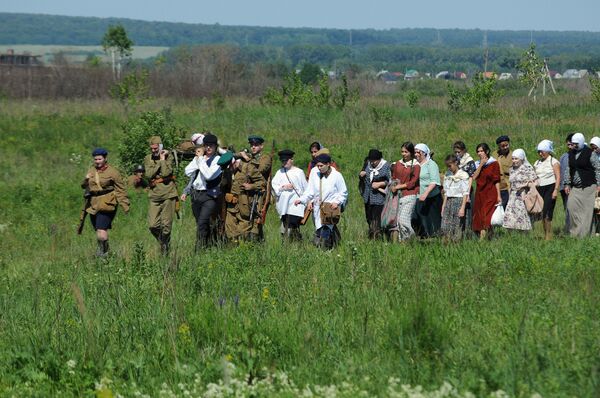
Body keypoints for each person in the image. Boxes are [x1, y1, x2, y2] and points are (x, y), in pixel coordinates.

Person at [81, 148, 130, 257]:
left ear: (105, 159)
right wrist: (86, 179)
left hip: (107, 203)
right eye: (95, 159)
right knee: (98, 231)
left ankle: (103, 254)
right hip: (93, 204)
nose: (97, 161)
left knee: (101, 231)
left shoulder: (113, 172)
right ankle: (105, 251)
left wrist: (124, 204)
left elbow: (120, 189)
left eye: (99, 159)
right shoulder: (91, 170)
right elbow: (84, 186)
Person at [295, 153, 348, 249]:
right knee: (320, 230)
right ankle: (335, 245)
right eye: (317, 165)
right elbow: (310, 191)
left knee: (324, 235)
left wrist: (337, 202)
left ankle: (326, 252)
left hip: (330, 209)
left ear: (328, 164)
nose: (319, 168)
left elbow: (343, 192)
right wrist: (301, 200)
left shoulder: (337, 176)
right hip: (318, 210)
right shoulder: (314, 173)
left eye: (321, 166)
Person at [225, 135, 272, 242]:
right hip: (244, 196)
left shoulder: (265, 157)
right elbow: (231, 157)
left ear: (261, 146)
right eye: (252, 145)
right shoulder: (248, 156)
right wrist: (238, 155)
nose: (253, 147)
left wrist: (246, 159)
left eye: (256, 145)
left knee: (256, 221)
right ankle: (247, 242)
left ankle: (256, 243)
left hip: (258, 193)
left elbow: (260, 170)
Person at [184, 133, 222, 250]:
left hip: (209, 195)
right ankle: (208, 244)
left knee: (203, 221)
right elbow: (187, 171)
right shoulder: (200, 159)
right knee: (200, 223)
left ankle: (199, 249)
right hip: (196, 194)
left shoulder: (218, 160)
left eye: (211, 146)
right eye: (206, 145)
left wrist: (200, 160)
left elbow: (209, 175)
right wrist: (198, 160)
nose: (209, 148)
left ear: (215, 147)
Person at [144, 135, 178, 255]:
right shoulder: (148, 158)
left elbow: (166, 173)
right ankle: (163, 242)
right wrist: (159, 163)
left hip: (168, 194)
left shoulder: (169, 157)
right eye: (151, 148)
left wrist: (163, 159)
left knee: (166, 225)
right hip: (154, 195)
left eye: (155, 148)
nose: (153, 151)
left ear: (160, 146)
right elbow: (148, 174)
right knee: (153, 225)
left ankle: (165, 246)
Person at [563, 132, 600, 237]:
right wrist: (567, 184)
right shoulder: (571, 153)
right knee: (571, 207)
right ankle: (574, 232)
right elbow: (568, 169)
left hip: (589, 187)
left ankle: (583, 235)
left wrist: (599, 184)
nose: (574, 145)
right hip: (576, 187)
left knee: (586, 212)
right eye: (572, 143)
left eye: (576, 143)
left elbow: (598, 169)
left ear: (580, 142)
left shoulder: (589, 153)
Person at [271, 149, 307, 241]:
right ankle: (292, 244)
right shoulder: (280, 172)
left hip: (296, 205)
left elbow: (306, 188)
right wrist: (283, 187)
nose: (284, 162)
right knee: (285, 226)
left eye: (286, 160)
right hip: (284, 205)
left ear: (291, 160)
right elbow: (274, 185)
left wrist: (305, 201)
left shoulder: (299, 172)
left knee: (292, 225)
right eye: (282, 161)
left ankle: (294, 243)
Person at [389, 142, 420, 242]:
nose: (403, 154)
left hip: (410, 194)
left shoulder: (416, 165)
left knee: (403, 220)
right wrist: (393, 186)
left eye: (406, 152)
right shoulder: (398, 164)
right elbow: (394, 177)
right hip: (398, 195)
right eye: (402, 152)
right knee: (398, 221)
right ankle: (403, 241)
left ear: (411, 153)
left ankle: (411, 239)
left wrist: (400, 186)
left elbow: (413, 182)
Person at [502, 149, 538, 232]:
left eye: (516, 159)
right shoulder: (512, 169)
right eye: (513, 159)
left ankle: (523, 237)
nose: (514, 161)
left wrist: (525, 185)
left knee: (522, 217)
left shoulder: (527, 168)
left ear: (521, 159)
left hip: (523, 195)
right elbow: (510, 183)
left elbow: (536, 182)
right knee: (510, 218)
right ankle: (512, 238)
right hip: (513, 196)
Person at [359, 149, 390, 239]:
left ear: (379, 159)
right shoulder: (368, 165)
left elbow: (391, 181)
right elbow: (364, 177)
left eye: (374, 161)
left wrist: (380, 184)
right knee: (369, 218)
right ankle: (372, 234)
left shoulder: (386, 166)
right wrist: (362, 174)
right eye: (371, 161)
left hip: (379, 197)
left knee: (377, 219)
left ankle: (376, 237)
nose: (372, 163)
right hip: (368, 197)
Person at [472, 143, 501, 240]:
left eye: (482, 151)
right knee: (480, 215)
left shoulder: (494, 163)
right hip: (480, 193)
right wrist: (481, 164)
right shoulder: (476, 164)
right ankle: (491, 236)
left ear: (487, 151)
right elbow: (474, 177)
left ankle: (482, 239)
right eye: (478, 151)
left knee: (486, 215)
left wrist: (498, 195)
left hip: (490, 192)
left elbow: (496, 180)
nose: (480, 153)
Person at [533, 140, 561, 240]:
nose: (540, 153)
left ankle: (548, 236)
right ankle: (545, 233)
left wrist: (555, 190)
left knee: (547, 211)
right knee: (541, 212)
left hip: (550, 187)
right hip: (540, 188)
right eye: (539, 152)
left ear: (548, 151)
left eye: (542, 151)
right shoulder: (537, 162)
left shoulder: (553, 161)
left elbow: (558, 176)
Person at [414, 143, 442, 238]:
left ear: (425, 153)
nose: (416, 154)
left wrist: (425, 193)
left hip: (431, 197)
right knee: (419, 219)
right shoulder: (415, 165)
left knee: (432, 220)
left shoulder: (431, 164)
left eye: (419, 152)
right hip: (419, 196)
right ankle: (423, 238)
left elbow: (434, 181)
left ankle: (434, 238)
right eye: (415, 152)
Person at [441, 155, 470, 241]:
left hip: (459, 201)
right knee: (445, 225)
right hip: (449, 201)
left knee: (457, 225)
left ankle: (456, 244)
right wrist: (443, 205)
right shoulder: (448, 175)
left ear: (456, 163)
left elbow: (465, 192)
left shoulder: (463, 175)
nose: (449, 168)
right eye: (447, 166)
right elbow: (446, 192)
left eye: (450, 166)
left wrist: (463, 207)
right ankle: (446, 242)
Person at [452, 141, 476, 234]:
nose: (457, 154)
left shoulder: (469, 161)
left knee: (467, 212)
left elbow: (470, 178)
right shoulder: (456, 160)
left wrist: (468, 193)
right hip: (457, 189)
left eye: (459, 152)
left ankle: (467, 232)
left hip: (466, 189)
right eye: (456, 152)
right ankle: (457, 231)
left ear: (464, 150)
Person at [558, 133, 574, 233]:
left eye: (571, 144)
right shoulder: (564, 156)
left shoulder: (578, 156)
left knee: (573, 209)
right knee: (567, 208)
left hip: (574, 187)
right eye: (568, 144)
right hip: (563, 188)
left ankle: (574, 229)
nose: (570, 146)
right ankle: (568, 228)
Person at [495, 135, 512, 209]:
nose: (505, 147)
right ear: (499, 146)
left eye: (507, 145)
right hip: (497, 186)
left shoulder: (513, 155)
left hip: (508, 186)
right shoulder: (495, 155)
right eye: (503, 146)